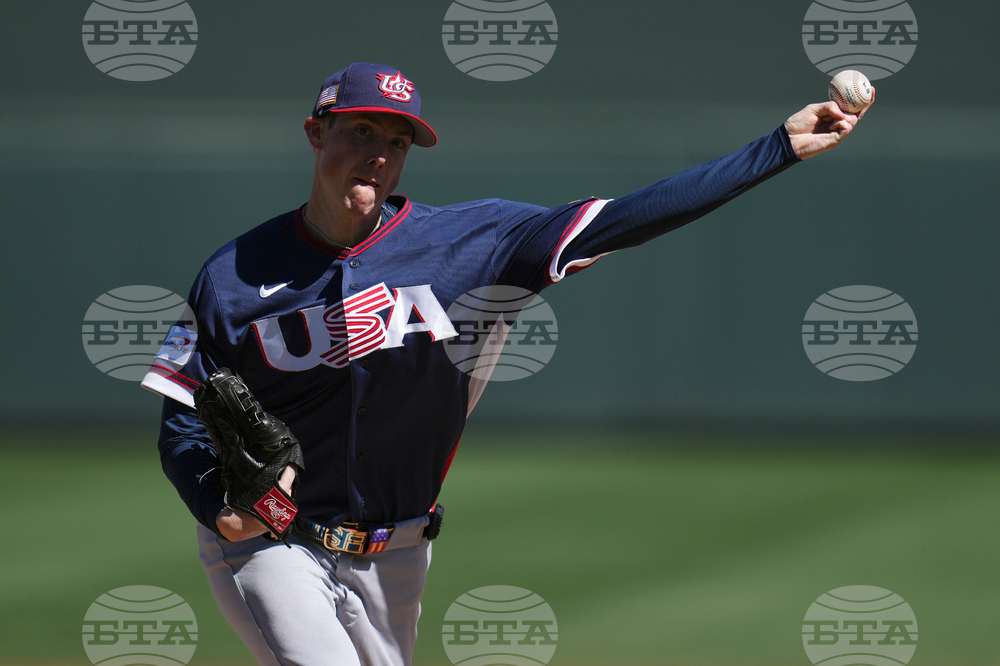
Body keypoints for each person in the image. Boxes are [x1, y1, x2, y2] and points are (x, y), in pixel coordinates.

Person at [142, 62, 871, 666]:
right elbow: (182, 422)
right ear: (315, 132)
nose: (378, 153)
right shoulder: (235, 273)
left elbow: (631, 216)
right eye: (360, 130)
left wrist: (776, 147)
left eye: (396, 140)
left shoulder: (476, 244)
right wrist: (222, 509)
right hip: (274, 540)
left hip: (395, 556)